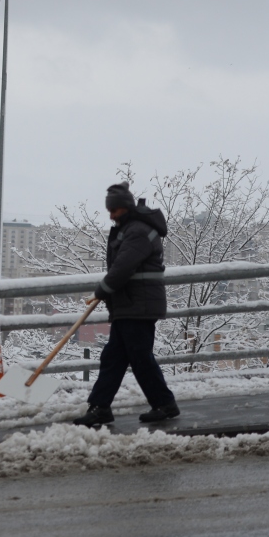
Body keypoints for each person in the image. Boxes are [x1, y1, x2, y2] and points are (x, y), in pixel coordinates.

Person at [73, 183, 181, 427]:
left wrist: (102, 290)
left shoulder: (138, 231)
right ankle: (101, 407)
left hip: (138, 306)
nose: (111, 215)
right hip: (130, 305)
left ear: (126, 207)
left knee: (140, 358)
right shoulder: (130, 228)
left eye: (115, 210)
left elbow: (123, 266)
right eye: (109, 210)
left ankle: (164, 403)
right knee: (114, 357)